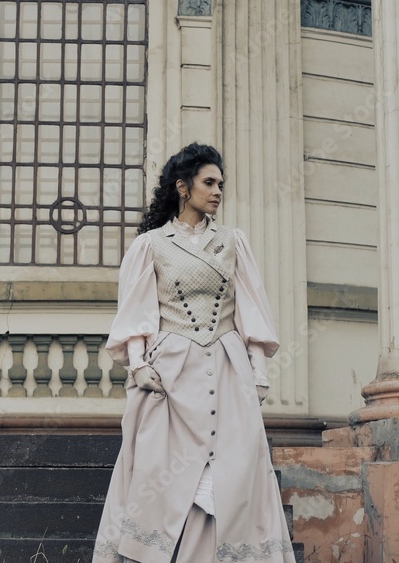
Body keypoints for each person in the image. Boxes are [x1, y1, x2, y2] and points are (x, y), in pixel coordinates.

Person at [93, 143, 295, 563]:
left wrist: (257, 370)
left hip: (226, 365)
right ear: (183, 188)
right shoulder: (151, 245)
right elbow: (136, 311)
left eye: (221, 183)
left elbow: (250, 310)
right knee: (160, 469)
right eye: (209, 182)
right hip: (170, 371)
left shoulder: (233, 242)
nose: (218, 191)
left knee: (234, 469)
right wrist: (138, 364)